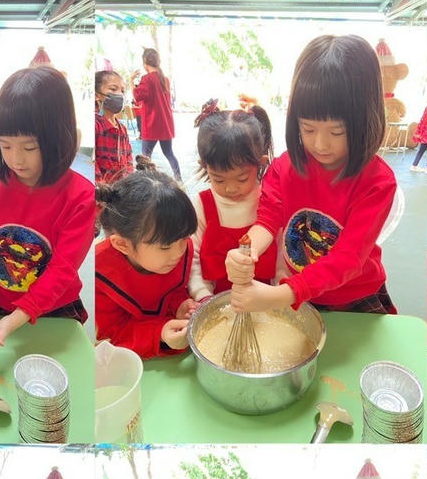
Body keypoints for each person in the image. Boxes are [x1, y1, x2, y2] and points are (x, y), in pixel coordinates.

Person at [224, 35, 398, 315]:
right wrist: (247, 251)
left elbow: (348, 258)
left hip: (354, 296)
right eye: (308, 129)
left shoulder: (377, 183)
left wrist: (282, 295)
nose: (320, 144)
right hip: (299, 291)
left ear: (367, 120)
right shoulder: (284, 167)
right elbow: (267, 220)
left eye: (337, 132)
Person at [0, 66, 96, 359]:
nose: (16, 159)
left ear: (59, 137)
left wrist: (18, 317)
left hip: (52, 308)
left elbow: (62, 270)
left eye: (29, 147)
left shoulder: (80, 197)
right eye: (5, 145)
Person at [94, 162, 197, 357]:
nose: (179, 252)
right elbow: (112, 334)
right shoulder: (100, 271)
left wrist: (180, 305)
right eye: (165, 247)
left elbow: (174, 290)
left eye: (185, 238)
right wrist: (160, 334)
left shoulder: (177, 245)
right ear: (122, 244)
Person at [189, 100, 276, 302]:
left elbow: (282, 256)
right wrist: (202, 295)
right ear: (205, 166)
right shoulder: (202, 205)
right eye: (218, 179)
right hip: (215, 301)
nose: (230, 188)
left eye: (242, 179)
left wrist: (277, 292)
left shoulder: (270, 201)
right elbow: (192, 258)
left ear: (261, 163)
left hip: (265, 300)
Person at [131, 49, 181, 179]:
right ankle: (179, 178)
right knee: (169, 153)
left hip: (152, 124)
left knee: (145, 157)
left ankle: (146, 181)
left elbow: (137, 96)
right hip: (165, 124)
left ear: (145, 63)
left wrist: (131, 81)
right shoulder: (165, 79)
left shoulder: (147, 79)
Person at [94, 69, 134, 185]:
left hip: (121, 189)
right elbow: (93, 163)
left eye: (122, 90)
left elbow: (128, 158)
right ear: (97, 95)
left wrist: (128, 183)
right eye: (113, 89)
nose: (119, 94)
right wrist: (103, 189)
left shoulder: (122, 129)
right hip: (104, 191)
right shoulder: (96, 126)